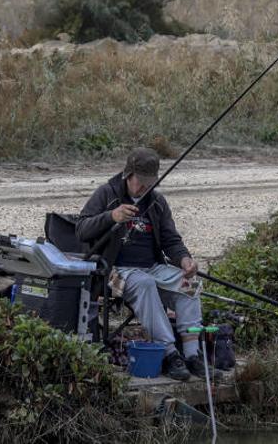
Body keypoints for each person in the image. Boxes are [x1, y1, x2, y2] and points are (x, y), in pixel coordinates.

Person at [75, 147, 204, 381]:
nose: (145, 187)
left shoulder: (157, 202)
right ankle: (169, 353)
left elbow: (171, 240)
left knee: (190, 283)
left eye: (150, 182)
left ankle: (192, 355)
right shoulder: (107, 194)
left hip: (152, 266)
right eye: (140, 181)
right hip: (115, 270)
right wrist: (111, 216)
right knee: (144, 284)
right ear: (128, 174)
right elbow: (81, 230)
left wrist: (184, 259)